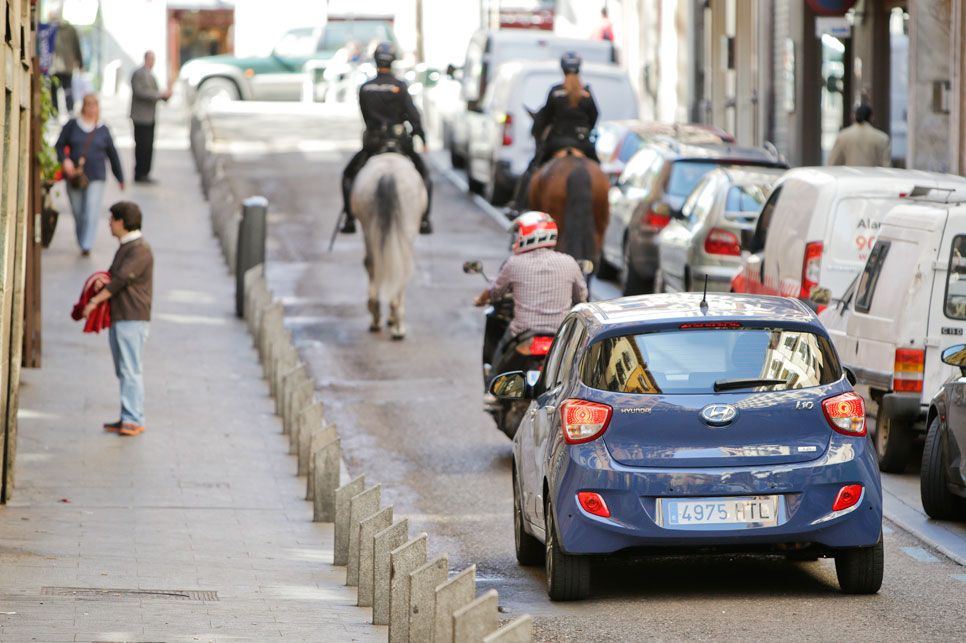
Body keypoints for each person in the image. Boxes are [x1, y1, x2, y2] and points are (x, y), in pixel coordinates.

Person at [474, 211, 588, 383]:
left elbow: (495, 291)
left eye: (519, 233)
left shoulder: (514, 263)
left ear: (528, 235)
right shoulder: (569, 262)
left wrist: (480, 299)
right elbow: (581, 298)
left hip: (523, 334)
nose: (517, 238)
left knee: (500, 352)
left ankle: (492, 387)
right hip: (560, 335)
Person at [340, 41, 433, 235]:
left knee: (348, 176)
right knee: (424, 176)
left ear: (375, 61)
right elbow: (413, 116)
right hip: (399, 143)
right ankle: (424, 220)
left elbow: (366, 117)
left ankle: (349, 219)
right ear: (393, 61)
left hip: (373, 143)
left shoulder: (365, 88)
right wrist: (421, 137)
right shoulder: (399, 86)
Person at [82, 201, 154, 437]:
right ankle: (127, 415)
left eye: (112, 219)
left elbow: (121, 279)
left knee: (131, 369)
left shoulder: (139, 249)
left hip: (132, 317)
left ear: (122, 222)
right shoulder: (127, 246)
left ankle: (134, 418)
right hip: (121, 315)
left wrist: (95, 301)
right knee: (123, 369)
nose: (109, 224)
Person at [510, 52, 600, 211]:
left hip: (557, 142)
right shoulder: (587, 93)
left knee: (533, 169)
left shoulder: (555, 92)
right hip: (582, 143)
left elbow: (544, 118)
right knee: (599, 172)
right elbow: (594, 116)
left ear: (563, 70)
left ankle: (518, 206)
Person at [55, 94, 124, 256]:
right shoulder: (72, 125)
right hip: (75, 177)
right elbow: (59, 146)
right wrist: (65, 161)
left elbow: (112, 154)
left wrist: (119, 177)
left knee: (91, 209)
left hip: (96, 175)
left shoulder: (103, 129)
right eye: (88, 105)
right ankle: (82, 239)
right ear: (83, 107)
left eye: (94, 105)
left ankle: (87, 244)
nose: (91, 109)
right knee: (79, 211)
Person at [130, 51, 172, 183]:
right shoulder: (138, 74)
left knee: (148, 146)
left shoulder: (151, 75)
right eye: (150, 59)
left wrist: (165, 96)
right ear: (146, 59)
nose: (152, 62)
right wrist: (159, 95)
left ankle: (145, 172)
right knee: (142, 145)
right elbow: (140, 92)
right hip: (140, 117)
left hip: (150, 116)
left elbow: (155, 93)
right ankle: (139, 172)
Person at [50, 14, 83, 114]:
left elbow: (76, 46)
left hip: (60, 65)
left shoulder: (66, 30)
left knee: (63, 89)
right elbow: (77, 46)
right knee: (60, 89)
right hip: (60, 65)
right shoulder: (53, 29)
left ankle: (65, 111)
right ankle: (63, 111)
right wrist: (80, 63)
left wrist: (80, 63)